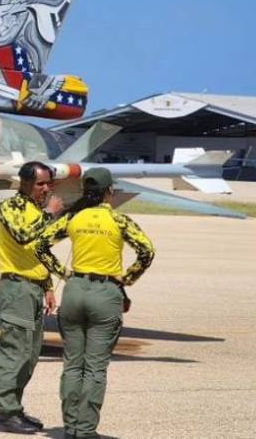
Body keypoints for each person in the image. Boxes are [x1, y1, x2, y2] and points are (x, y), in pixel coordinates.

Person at [35, 168, 155, 439]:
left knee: (72, 365)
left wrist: (64, 274)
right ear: (109, 192)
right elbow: (147, 251)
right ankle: (86, 430)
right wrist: (126, 279)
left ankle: (71, 427)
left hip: (75, 290)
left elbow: (40, 245)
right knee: (95, 368)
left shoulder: (73, 218)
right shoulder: (118, 220)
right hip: (104, 293)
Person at [0, 161, 63, 434]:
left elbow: (39, 251)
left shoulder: (36, 210)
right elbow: (23, 236)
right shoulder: (11, 207)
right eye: (40, 184)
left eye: (48, 183)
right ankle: (6, 413)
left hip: (34, 288)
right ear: (25, 183)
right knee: (15, 353)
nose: (46, 188)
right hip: (16, 288)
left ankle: (15, 407)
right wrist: (50, 214)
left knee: (30, 355)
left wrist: (47, 286)